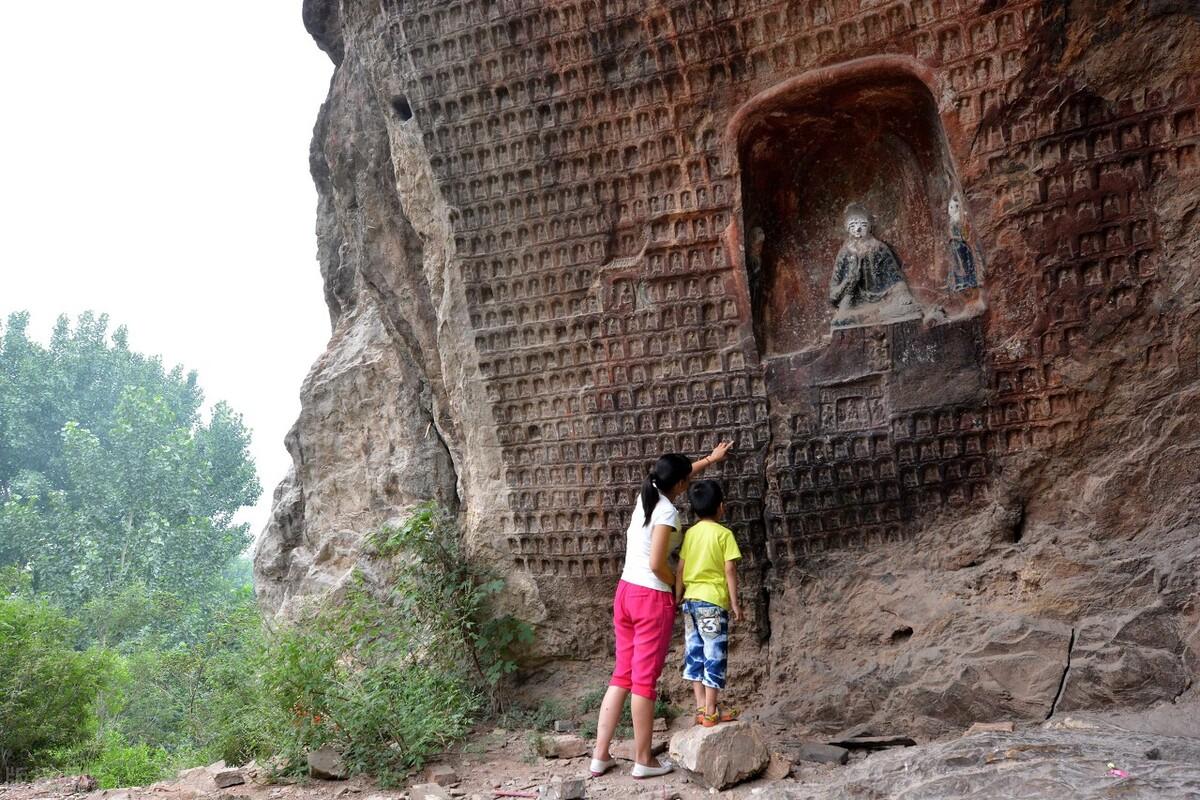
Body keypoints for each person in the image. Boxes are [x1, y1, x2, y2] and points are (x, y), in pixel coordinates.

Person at [590, 441, 733, 779]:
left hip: (625, 592)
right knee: (643, 682)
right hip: (649, 597)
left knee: (622, 675)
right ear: (680, 485)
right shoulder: (667, 511)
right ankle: (643, 759)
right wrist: (674, 586)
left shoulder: (647, 497)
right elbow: (657, 563)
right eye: (686, 480)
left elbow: (676, 476)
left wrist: (709, 461)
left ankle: (600, 755)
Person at [675, 479, 742, 727]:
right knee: (714, 654)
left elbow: (680, 569)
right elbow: (730, 569)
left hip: (690, 602)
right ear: (721, 507)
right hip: (712, 604)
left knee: (695, 653)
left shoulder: (690, 534)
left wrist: (677, 595)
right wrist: (734, 603)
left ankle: (701, 708)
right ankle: (712, 711)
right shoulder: (724, 535)